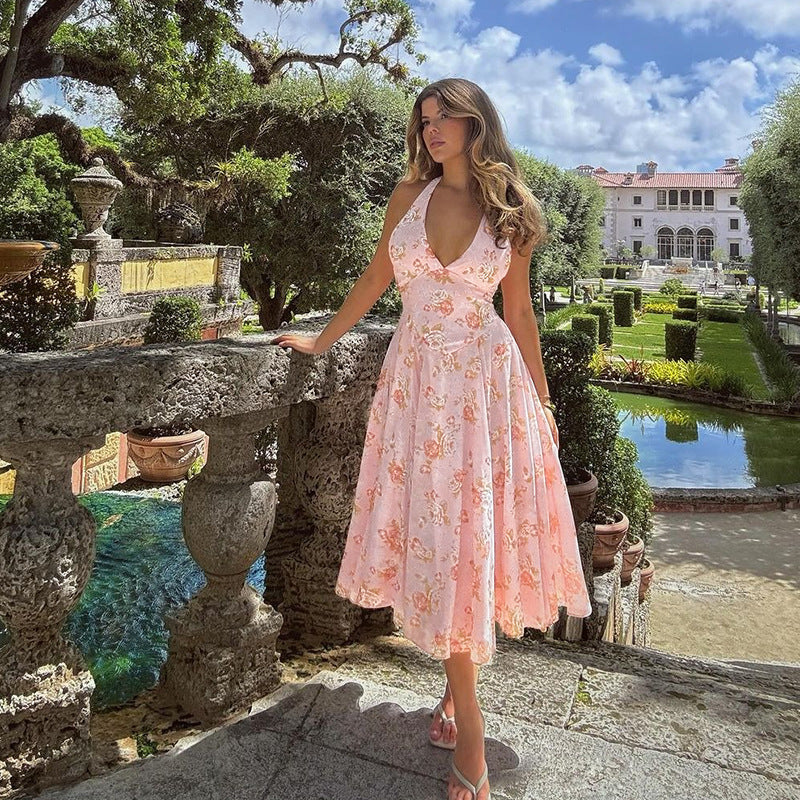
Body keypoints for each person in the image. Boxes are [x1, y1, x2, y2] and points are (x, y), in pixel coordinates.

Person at [271, 78, 592, 800]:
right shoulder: (407, 197)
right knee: (441, 539)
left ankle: (467, 724)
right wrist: (321, 341)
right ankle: (457, 695)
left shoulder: (513, 211)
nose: (433, 128)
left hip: (481, 389)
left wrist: (542, 401)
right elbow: (374, 279)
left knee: (467, 540)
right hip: (416, 388)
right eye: (425, 120)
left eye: (447, 116)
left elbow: (520, 313)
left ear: (477, 123)